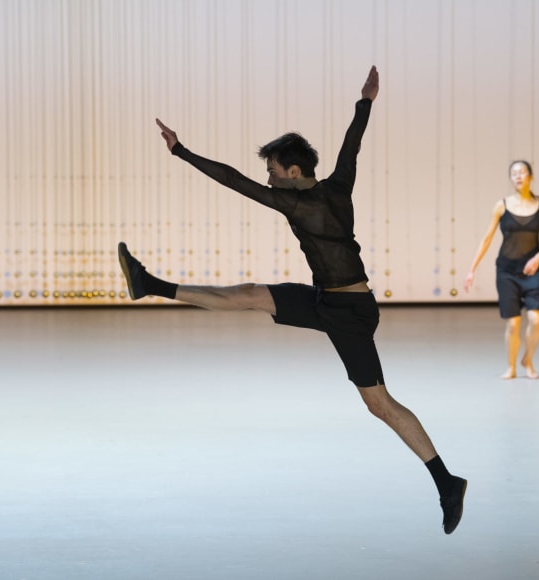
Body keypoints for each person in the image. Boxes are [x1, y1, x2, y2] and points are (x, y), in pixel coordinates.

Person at [117, 66, 467, 533]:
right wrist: (365, 102)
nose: (269, 177)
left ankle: (447, 482)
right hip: (328, 300)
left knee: (379, 403)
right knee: (250, 296)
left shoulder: (295, 203)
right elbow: (352, 144)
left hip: (351, 314)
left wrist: (181, 151)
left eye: (274, 170)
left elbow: (234, 180)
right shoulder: (337, 187)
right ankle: (151, 285)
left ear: (293, 171)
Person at [463, 160, 539, 379]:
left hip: (532, 271)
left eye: (522, 172)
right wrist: (472, 269)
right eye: (514, 173)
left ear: (530, 176)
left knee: (536, 319)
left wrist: (538, 257)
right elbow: (487, 239)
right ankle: (511, 366)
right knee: (513, 323)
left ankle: (528, 359)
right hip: (506, 270)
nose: (518, 176)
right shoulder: (501, 205)